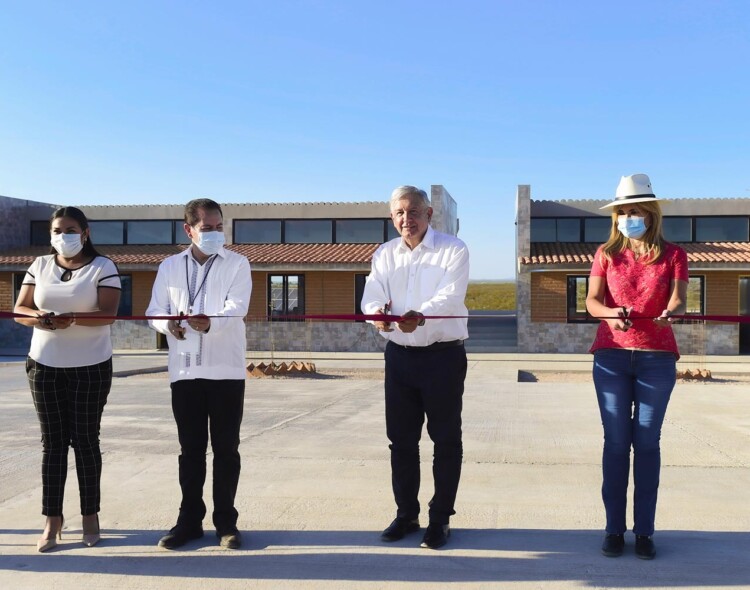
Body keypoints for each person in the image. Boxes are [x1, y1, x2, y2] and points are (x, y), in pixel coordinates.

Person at [585, 174, 688, 560]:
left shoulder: (675, 254)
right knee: (615, 443)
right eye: (622, 212)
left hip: (657, 357)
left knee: (646, 442)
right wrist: (611, 315)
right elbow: (593, 302)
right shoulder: (606, 253)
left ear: (651, 214)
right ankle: (613, 530)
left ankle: (644, 532)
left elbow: (678, 300)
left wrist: (670, 313)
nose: (628, 217)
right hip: (611, 356)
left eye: (635, 211)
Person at [361, 185, 470, 550]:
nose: (406, 219)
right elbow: (372, 295)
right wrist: (378, 317)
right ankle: (406, 514)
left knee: (445, 440)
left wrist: (420, 316)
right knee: (402, 441)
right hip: (400, 357)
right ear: (392, 218)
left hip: (443, 357)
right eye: (399, 213)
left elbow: (450, 296)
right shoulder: (384, 254)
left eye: (413, 211)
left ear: (429, 214)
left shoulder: (453, 249)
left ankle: (440, 519)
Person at [14, 206, 121, 552]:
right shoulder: (39, 266)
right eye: (58, 231)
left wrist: (71, 317)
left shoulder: (103, 267)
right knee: (53, 444)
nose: (64, 237)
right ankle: (52, 520)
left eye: (71, 230)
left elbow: (108, 314)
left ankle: (90, 515)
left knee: (86, 441)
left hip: (90, 366)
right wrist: (41, 318)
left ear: (86, 233)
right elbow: (20, 310)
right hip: (44, 365)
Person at [146, 198, 251, 550]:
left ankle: (226, 523)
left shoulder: (238, 264)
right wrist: (168, 325)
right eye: (207, 229)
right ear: (188, 230)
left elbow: (236, 309)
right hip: (185, 371)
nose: (215, 234)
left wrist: (209, 324)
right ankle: (188, 521)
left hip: (226, 370)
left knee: (226, 450)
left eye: (220, 227)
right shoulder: (170, 267)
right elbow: (154, 311)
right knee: (190, 450)